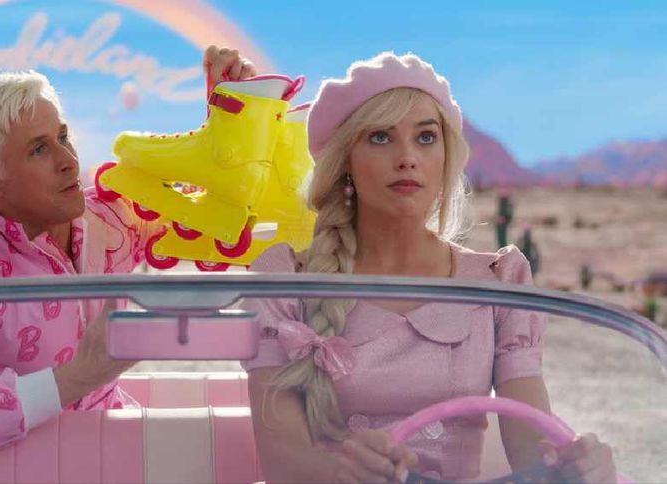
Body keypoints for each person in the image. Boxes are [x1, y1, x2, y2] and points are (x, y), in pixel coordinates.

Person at [242, 52, 616, 483]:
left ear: (446, 157)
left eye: (425, 137)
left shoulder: (497, 282)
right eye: (380, 137)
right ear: (344, 162)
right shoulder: (286, 283)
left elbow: (531, 438)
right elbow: (281, 460)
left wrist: (573, 464)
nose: (407, 158)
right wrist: (343, 471)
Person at [0, 46, 258, 463]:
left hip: (117, 454)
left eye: (63, 137)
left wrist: (235, 117)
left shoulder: (116, 216)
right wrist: (78, 376)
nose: (68, 161)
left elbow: (221, 214)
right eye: (38, 149)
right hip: (25, 469)